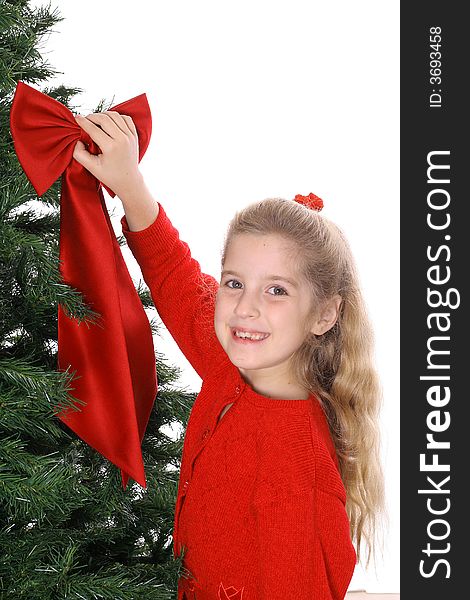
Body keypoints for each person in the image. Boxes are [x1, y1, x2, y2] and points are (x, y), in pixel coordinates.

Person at [73, 110, 384, 600]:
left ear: (325, 314)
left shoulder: (294, 459)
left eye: (277, 290)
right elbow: (177, 278)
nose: (245, 308)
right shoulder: (230, 364)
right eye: (235, 283)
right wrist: (130, 185)